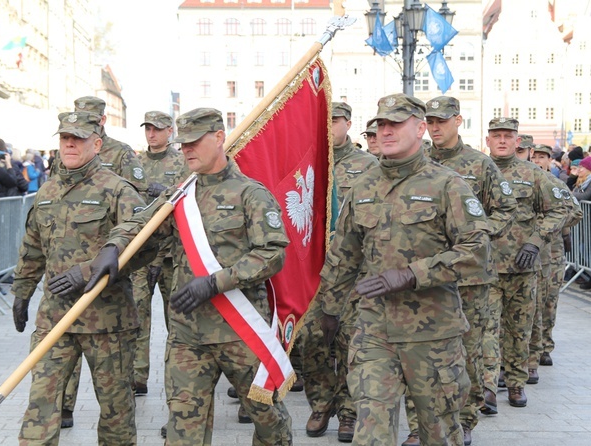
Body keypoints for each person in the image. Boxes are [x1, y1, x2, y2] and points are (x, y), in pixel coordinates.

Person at [77, 107, 293, 445]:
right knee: (183, 426)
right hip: (187, 334)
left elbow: (272, 254)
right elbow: (141, 225)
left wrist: (215, 282)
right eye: (183, 143)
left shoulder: (250, 194)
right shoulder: (179, 195)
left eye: (194, 141)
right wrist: (114, 246)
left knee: (268, 419)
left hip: (238, 330)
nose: (186, 149)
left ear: (220, 138)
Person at [319, 93, 491, 445]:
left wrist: (413, 274)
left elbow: (477, 251)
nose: (386, 131)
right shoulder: (364, 186)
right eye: (381, 124)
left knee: (438, 432)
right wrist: (329, 309)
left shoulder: (447, 185)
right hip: (374, 330)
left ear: (420, 128)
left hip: (432, 334)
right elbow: (344, 255)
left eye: (395, 124)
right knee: (370, 430)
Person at [11, 111, 147, 445]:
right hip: (54, 319)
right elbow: (32, 248)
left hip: (107, 322)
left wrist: (87, 271)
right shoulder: (48, 191)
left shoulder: (118, 190)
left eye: (79, 138)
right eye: (64, 138)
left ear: (97, 143)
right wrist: (22, 291)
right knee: (41, 405)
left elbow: (143, 247)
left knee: (115, 410)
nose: (70, 144)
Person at [401, 96, 517, 446]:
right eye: (430, 121)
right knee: (416, 353)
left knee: (466, 353)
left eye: (442, 121)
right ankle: (418, 426)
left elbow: (505, 209)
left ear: (458, 122)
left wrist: (477, 232)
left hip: (468, 276)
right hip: (421, 275)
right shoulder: (412, 161)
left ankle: (463, 421)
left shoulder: (481, 165)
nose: (435, 127)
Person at [59, 96, 149, 429]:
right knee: (64, 349)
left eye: (91, 118)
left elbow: (137, 203)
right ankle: (64, 405)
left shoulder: (122, 155)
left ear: (101, 122)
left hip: (113, 265)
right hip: (64, 281)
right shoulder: (66, 156)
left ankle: (139, 374)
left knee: (114, 395)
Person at [299, 101, 378, 443]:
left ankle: (348, 412)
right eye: (323, 121)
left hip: (353, 273)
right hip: (311, 273)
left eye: (334, 121)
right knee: (309, 342)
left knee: (350, 345)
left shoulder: (369, 166)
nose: (328, 126)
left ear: (347, 123)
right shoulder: (304, 163)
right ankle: (320, 403)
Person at [481, 118, 567, 414]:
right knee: (486, 330)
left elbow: (565, 209)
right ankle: (488, 387)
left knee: (518, 330)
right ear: (488, 140)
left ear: (518, 141)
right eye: (496, 136)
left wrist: (536, 241)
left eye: (508, 136)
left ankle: (516, 382)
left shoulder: (533, 175)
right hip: (485, 269)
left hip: (522, 268)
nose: (502, 141)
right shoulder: (476, 172)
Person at [131, 110, 187, 397]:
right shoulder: (135, 162)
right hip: (141, 253)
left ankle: (176, 382)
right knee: (138, 315)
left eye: (157, 129)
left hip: (170, 257)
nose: (151, 134)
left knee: (175, 319)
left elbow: (187, 202)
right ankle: (138, 376)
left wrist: (166, 190)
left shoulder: (181, 161)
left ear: (169, 131)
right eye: (148, 129)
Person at [527, 144, 582, 379]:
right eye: (535, 156)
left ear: (550, 160)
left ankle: (545, 346)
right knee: (531, 304)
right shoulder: (524, 182)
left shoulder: (557, 184)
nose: (539, 160)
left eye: (543, 157)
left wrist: (555, 225)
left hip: (553, 253)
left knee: (549, 302)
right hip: (529, 254)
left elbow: (575, 211)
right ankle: (529, 349)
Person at [69, 96, 146, 190]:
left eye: (89, 119)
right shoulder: (67, 151)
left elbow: (138, 192)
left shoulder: (122, 152)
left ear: (102, 120)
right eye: (79, 118)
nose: (83, 123)